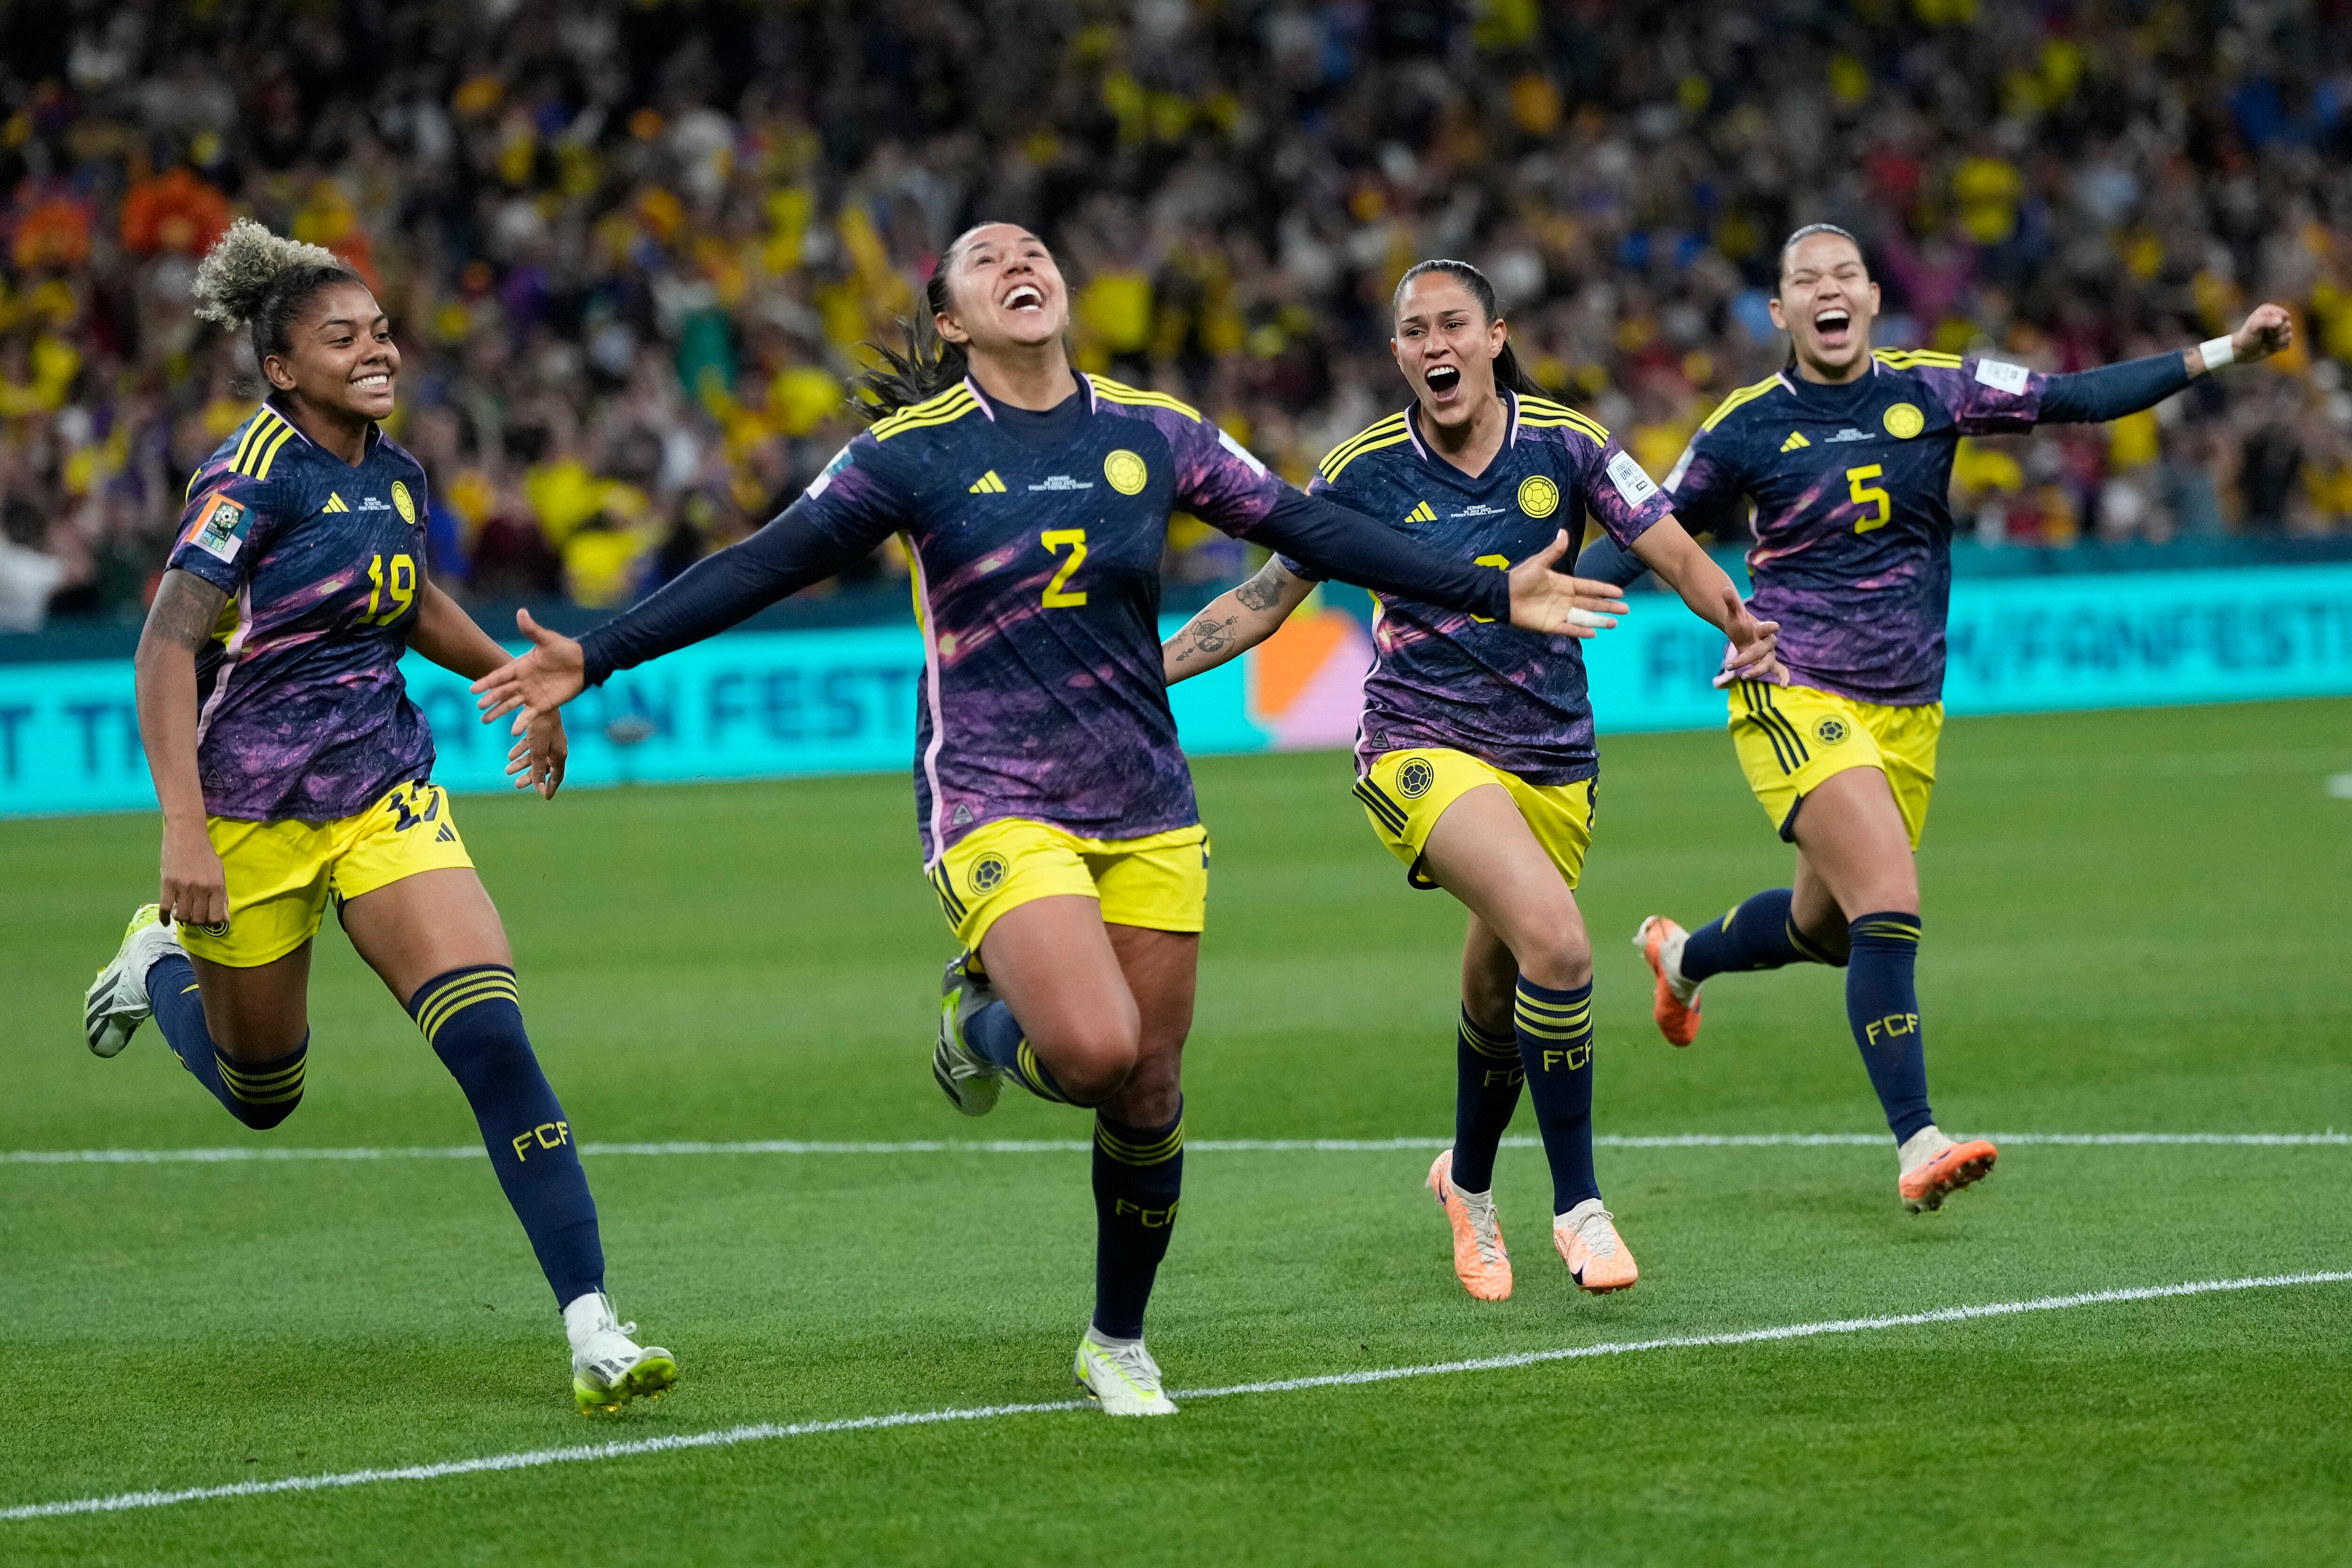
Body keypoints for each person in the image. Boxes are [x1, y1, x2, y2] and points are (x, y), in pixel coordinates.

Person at [470, 223, 1629, 1413]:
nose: (1020, 262)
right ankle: (976, 1024)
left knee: (1151, 1089)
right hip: (993, 792)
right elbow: (765, 562)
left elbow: (1307, 526)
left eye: (1033, 250)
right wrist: (596, 656)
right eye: (986, 260)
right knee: (1088, 1050)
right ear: (954, 322)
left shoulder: (1153, 430)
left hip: (1146, 797)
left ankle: (1116, 1340)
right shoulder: (910, 454)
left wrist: (1495, 584)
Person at [79, 219, 675, 1416]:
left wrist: (516, 682)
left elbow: (407, 603)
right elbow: (166, 645)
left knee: (492, 1037)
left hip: (386, 791)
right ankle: (160, 969)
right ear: (283, 369)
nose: (377, 350)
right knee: (265, 1092)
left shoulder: (394, 474)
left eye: (383, 330)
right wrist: (183, 833)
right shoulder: (248, 474)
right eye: (342, 338)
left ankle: (594, 1323)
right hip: (249, 808)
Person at [1614, 222, 2292, 1212]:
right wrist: (1521, 599)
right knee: (1888, 901)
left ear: (1873, 298)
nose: (1827, 290)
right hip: (1787, 681)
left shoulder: (1936, 386)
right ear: (1780, 310)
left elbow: (2078, 397)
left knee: (1827, 928)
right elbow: (1647, 535)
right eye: (1806, 280)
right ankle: (1916, 1137)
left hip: (1907, 706)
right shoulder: (1743, 425)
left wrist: (2227, 348)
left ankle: (1682, 955)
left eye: (1844, 273)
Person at [1161, 259, 1782, 1302]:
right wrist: (1146, 670)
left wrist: (1737, 617)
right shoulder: (1359, 468)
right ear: (1399, 353)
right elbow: (1267, 597)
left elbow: (1673, 547)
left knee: (1497, 995)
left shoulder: (1567, 444)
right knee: (1560, 941)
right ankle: (1579, 1206)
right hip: (1419, 743)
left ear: (1496, 336)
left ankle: (1470, 1188)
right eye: (1414, 331)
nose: (1434, 345)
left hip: (1551, 758)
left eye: (1453, 324)